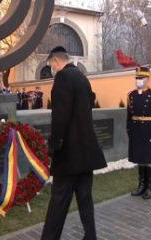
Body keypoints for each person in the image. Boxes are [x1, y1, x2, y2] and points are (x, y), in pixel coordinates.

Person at [41, 46, 107, 240]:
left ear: (56, 62)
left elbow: (60, 115)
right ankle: (90, 235)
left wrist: (54, 145)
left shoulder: (62, 78)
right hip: (87, 151)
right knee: (85, 199)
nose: (51, 68)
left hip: (69, 153)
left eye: (51, 64)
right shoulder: (81, 77)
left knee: (59, 201)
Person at [127, 67, 151, 200]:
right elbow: (129, 115)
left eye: (141, 78)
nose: (138, 81)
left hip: (150, 130)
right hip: (136, 130)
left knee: (149, 159)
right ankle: (141, 186)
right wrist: (129, 130)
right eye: (137, 78)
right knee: (140, 159)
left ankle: (149, 188)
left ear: (147, 79)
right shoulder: (131, 95)